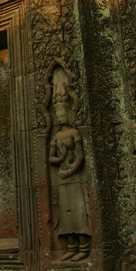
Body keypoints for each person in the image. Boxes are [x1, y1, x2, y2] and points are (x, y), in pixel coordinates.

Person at [49, 98, 91, 261]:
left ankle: (83, 246)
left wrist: (71, 169)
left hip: (74, 176)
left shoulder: (74, 133)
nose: (60, 117)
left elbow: (80, 156)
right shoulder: (57, 136)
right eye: (57, 114)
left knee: (79, 211)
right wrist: (61, 159)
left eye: (62, 113)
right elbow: (51, 158)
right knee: (66, 213)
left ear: (69, 113)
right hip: (62, 176)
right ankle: (71, 246)